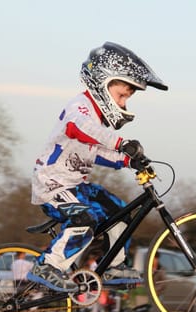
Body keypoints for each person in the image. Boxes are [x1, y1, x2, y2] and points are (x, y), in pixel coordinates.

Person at [26, 42, 168, 292]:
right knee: (85, 219)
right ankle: (47, 266)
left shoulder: (96, 120)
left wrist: (129, 160)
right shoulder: (80, 107)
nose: (124, 104)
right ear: (103, 83)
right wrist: (121, 142)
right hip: (51, 184)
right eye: (122, 95)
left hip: (78, 186)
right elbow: (78, 128)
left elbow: (95, 152)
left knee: (120, 213)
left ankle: (113, 267)